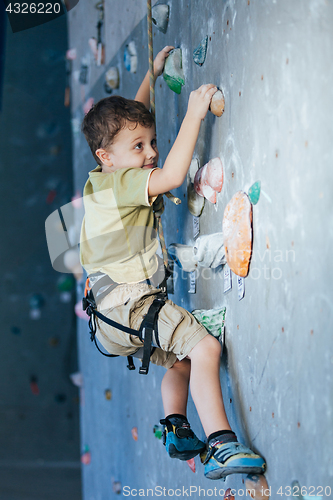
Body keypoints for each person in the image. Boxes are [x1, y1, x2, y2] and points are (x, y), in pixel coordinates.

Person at [80, 46, 266, 480]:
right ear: (107, 157)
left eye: (152, 143)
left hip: (108, 323)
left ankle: (176, 426)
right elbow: (172, 178)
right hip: (131, 304)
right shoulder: (126, 181)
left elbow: (128, 124)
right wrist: (194, 113)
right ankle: (220, 443)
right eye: (139, 147)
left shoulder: (100, 179)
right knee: (205, 347)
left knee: (182, 362)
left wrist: (152, 73)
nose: (150, 152)